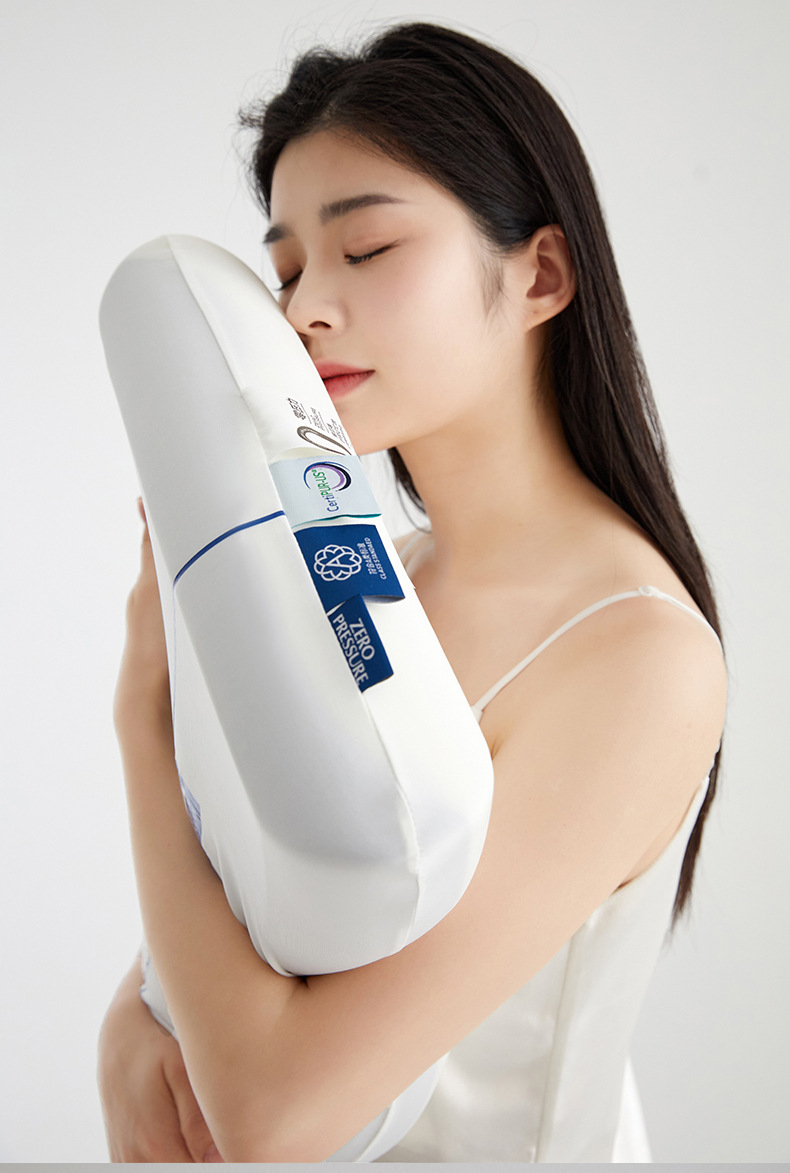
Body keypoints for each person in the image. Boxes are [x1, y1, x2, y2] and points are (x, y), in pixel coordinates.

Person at [98, 21, 728, 1163]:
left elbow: (276, 1114)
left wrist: (144, 715)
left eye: (368, 248)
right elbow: (253, 905)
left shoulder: (640, 660)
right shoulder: (366, 570)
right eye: (288, 270)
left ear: (540, 275)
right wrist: (129, 1013)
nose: (303, 311)